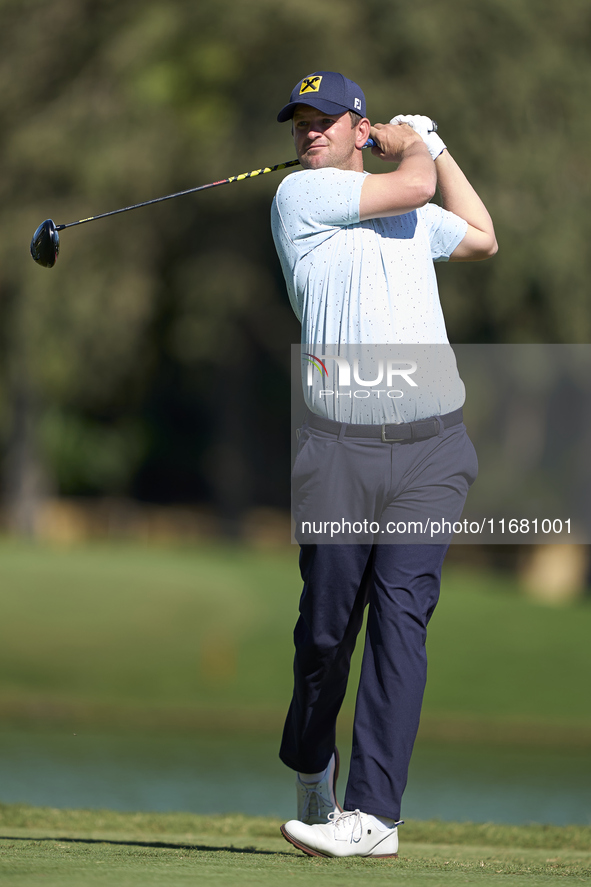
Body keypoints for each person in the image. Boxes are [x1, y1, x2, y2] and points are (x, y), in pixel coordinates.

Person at [270, 71, 497, 859]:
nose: (308, 133)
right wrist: (416, 149)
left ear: (357, 127)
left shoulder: (409, 210)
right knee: (327, 631)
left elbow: (480, 233)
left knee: (401, 620)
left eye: (324, 120)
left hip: (431, 448)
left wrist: (436, 148)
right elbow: (411, 185)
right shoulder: (300, 201)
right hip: (338, 449)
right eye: (299, 123)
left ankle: (372, 814)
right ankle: (309, 759)